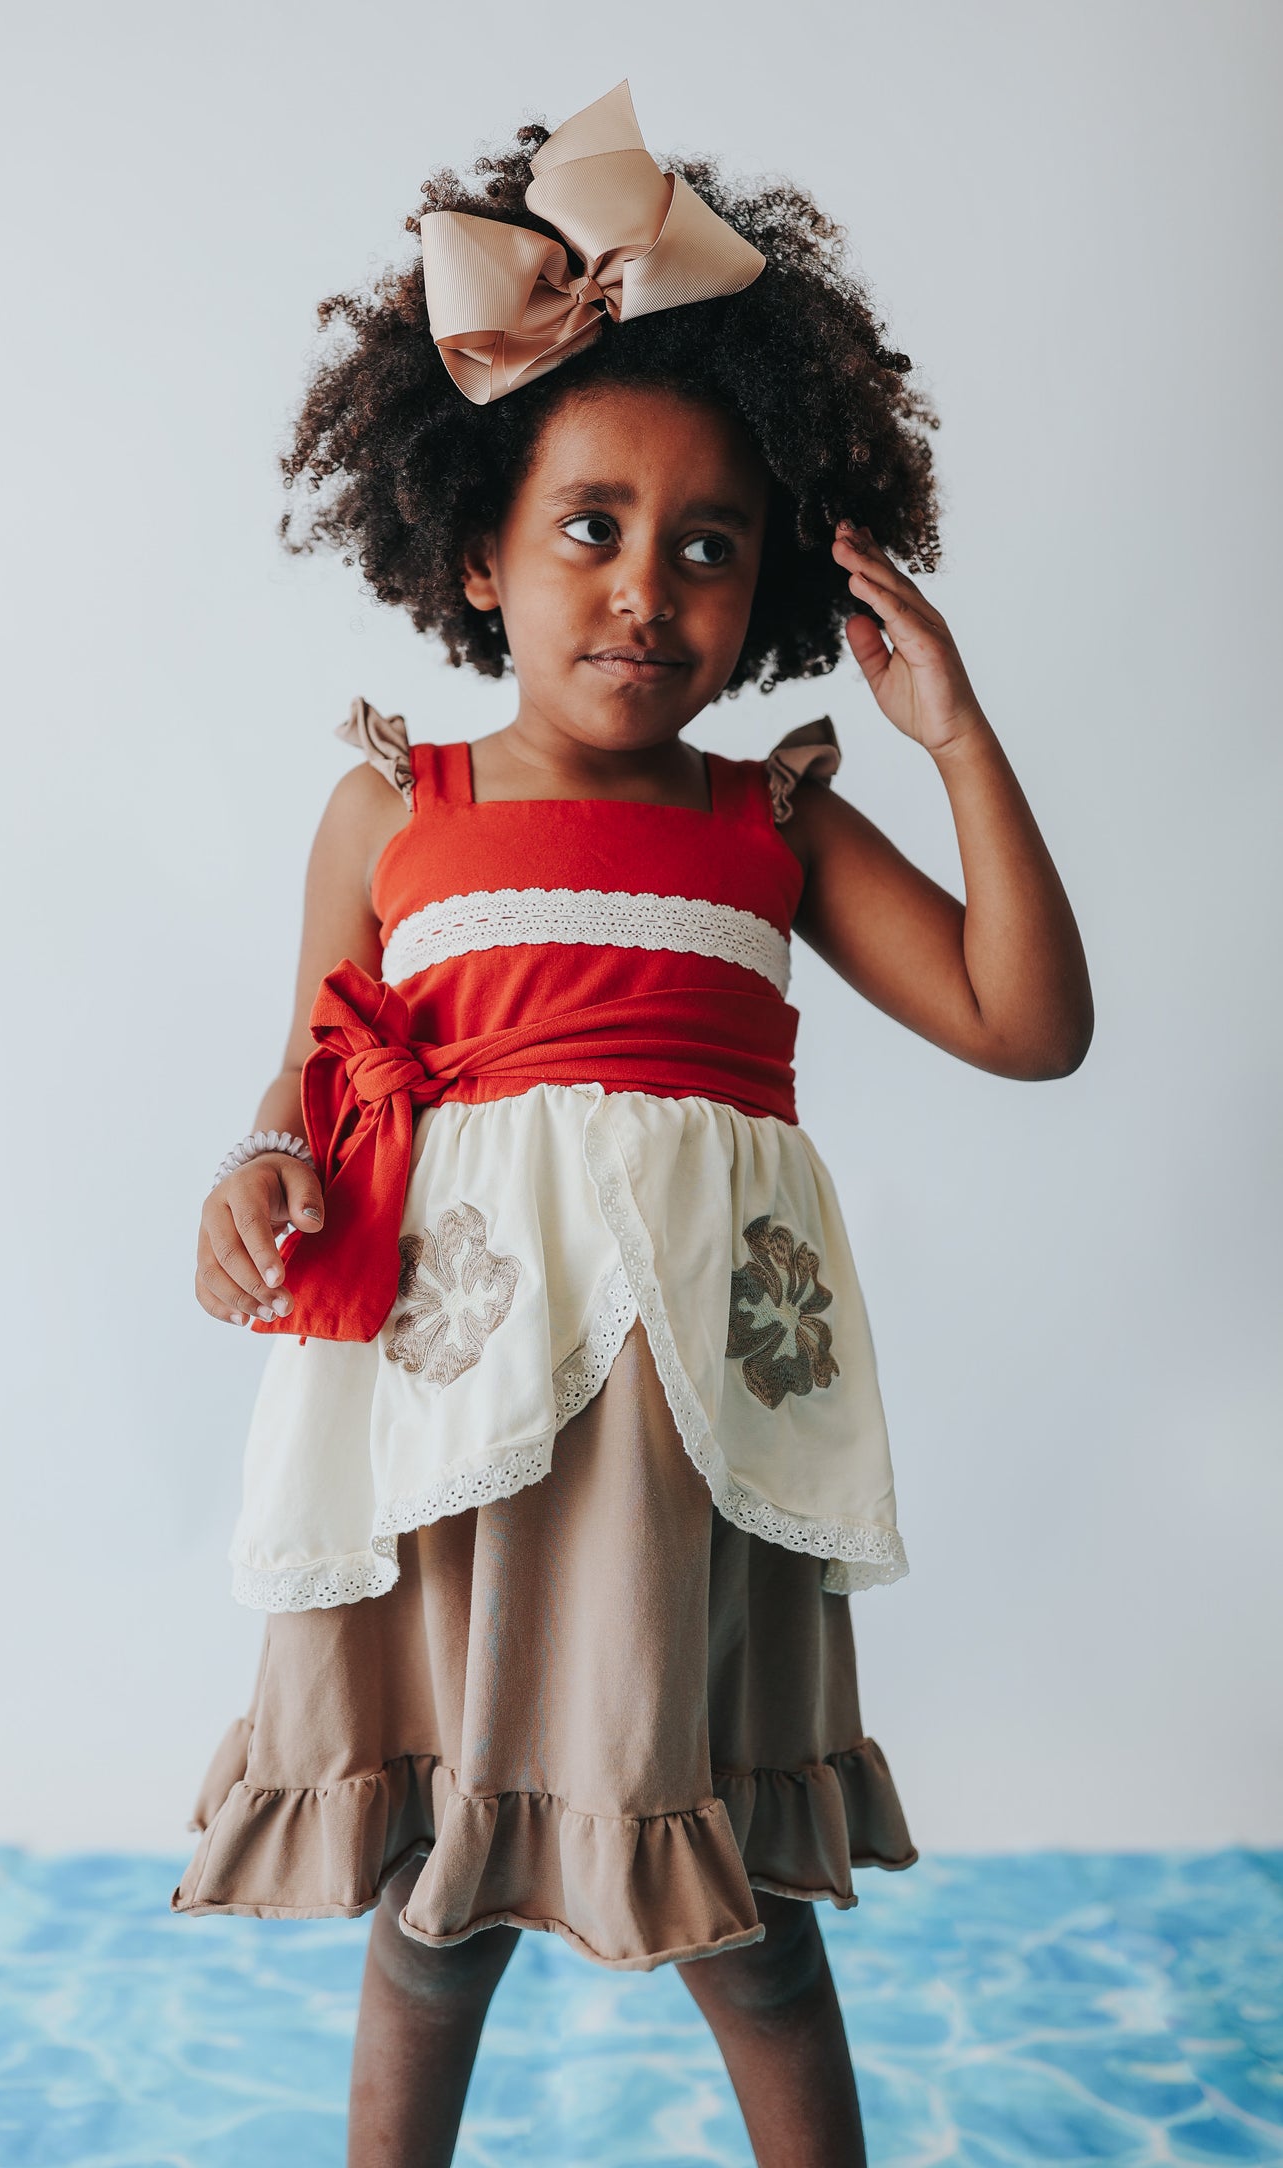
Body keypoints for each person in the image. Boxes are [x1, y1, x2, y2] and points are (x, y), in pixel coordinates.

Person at [170, 81, 1093, 2168]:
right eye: (589, 526)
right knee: (443, 1900)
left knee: (747, 1917)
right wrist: (257, 1170)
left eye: (708, 545)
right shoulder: (395, 813)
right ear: (476, 555)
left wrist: (954, 738)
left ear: (767, 586)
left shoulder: (773, 821)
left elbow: (1028, 1023)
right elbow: (316, 1075)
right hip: (460, 1420)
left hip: (689, 1448)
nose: (645, 588)